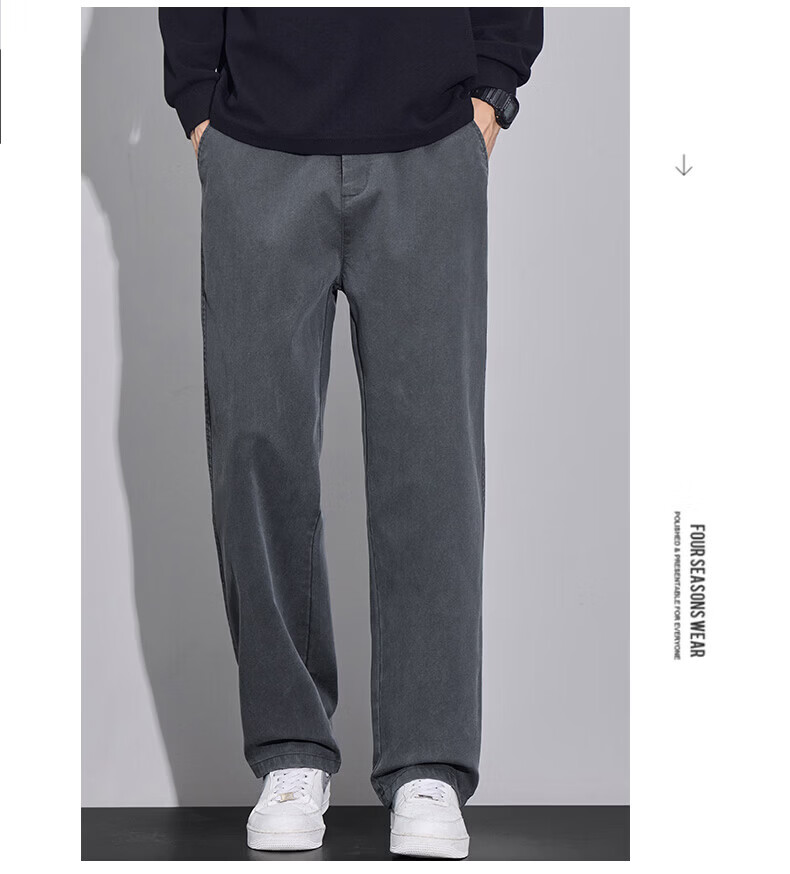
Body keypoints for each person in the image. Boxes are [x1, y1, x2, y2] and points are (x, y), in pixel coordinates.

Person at [158, 8, 543, 859]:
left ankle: (427, 765)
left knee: (434, 460)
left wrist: (495, 88)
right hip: (256, 141)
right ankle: (290, 752)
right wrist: (198, 105)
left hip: (432, 138)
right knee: (254, 450)